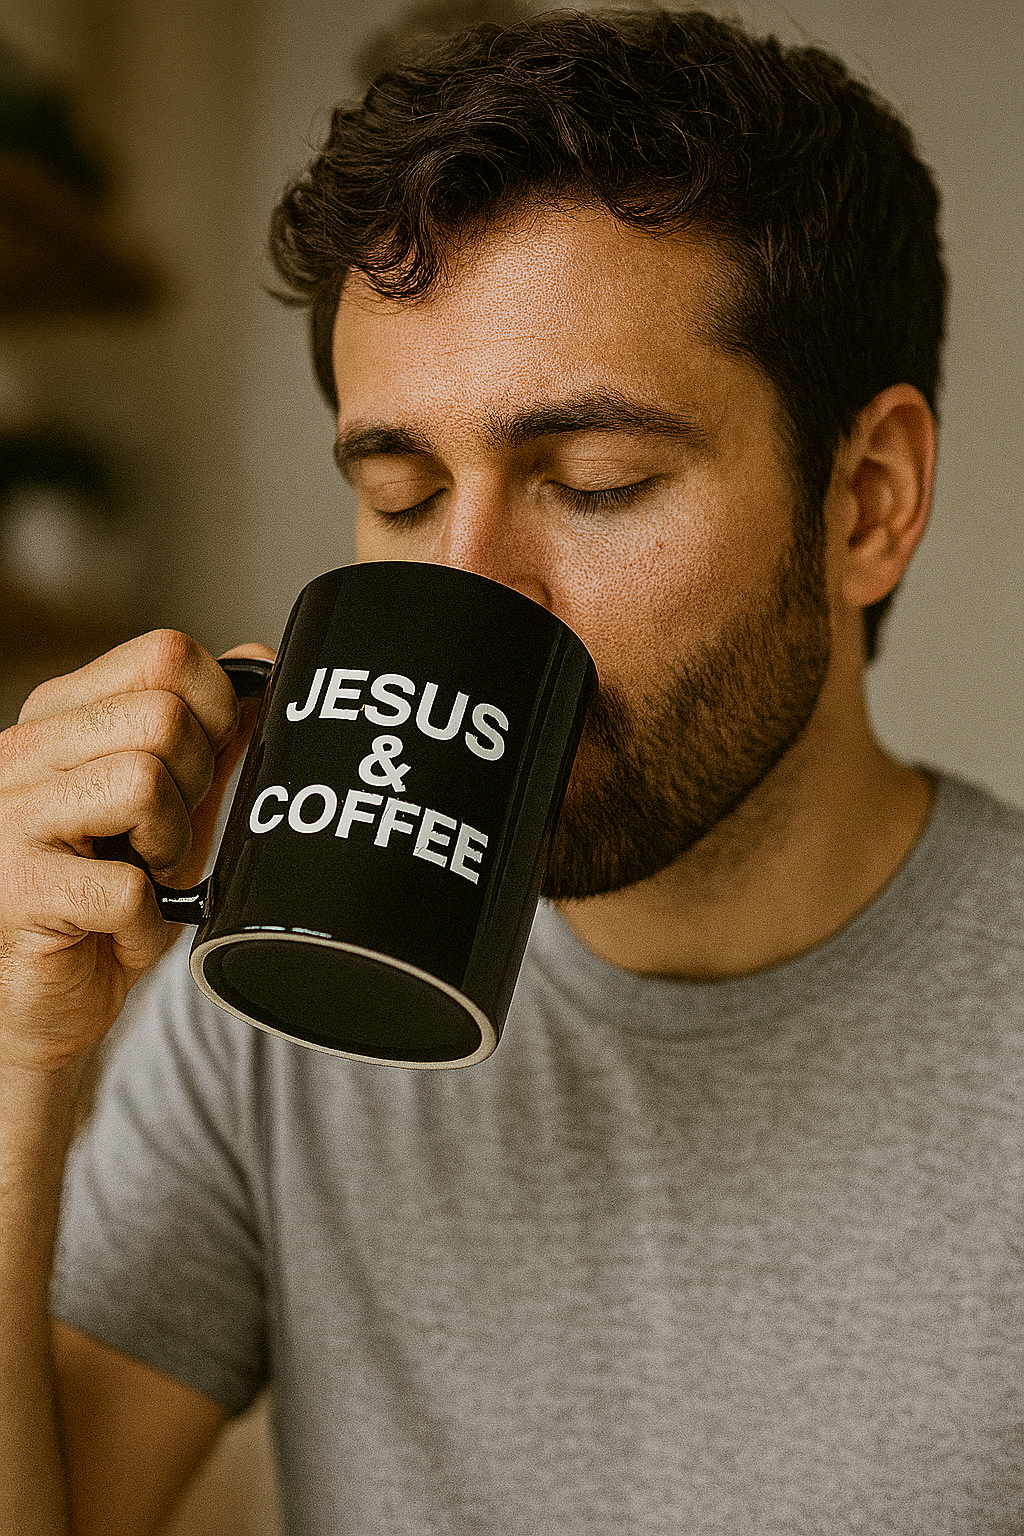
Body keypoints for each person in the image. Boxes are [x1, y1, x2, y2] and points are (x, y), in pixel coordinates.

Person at [2, 8, 1022, 1533]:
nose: (474, 589)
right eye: (402, 493)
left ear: (865, 502)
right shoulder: (283, 994)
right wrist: (15, 1069)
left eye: (596, 484)